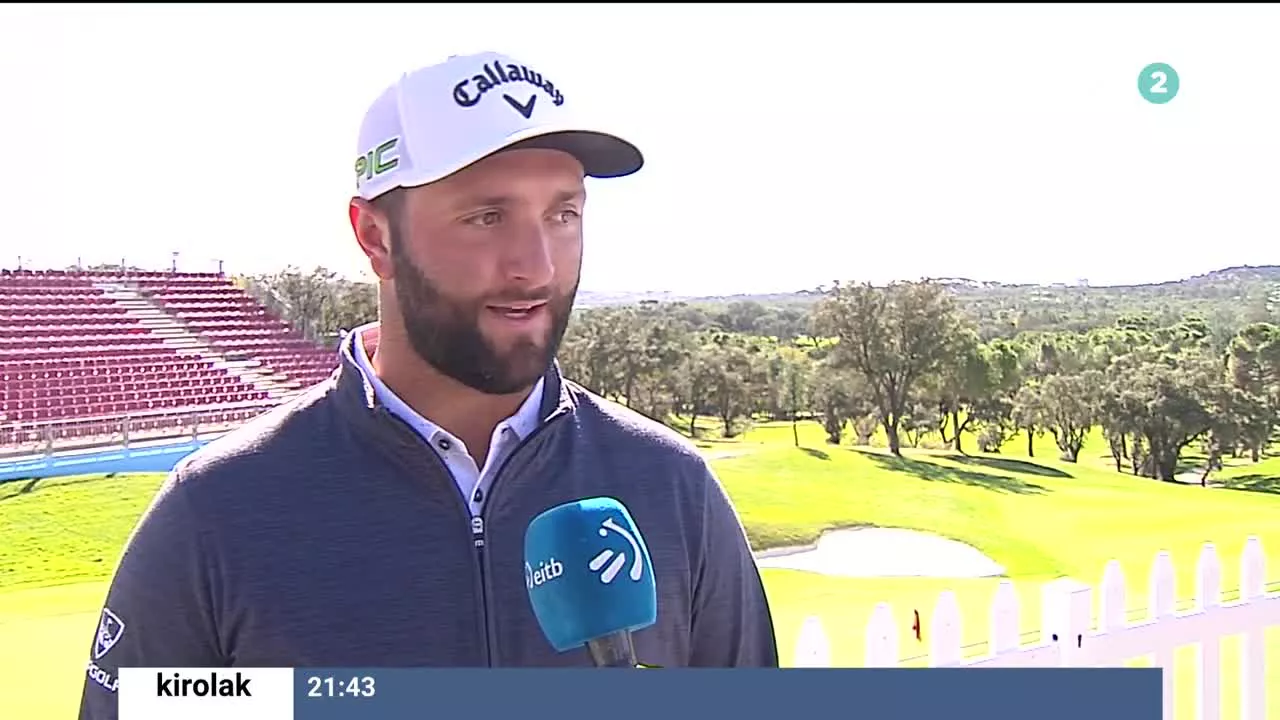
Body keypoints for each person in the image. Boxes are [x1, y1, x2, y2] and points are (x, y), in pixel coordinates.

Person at [78, 49, 778, 718]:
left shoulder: (672, 486)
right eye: (486, 217)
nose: (536, 267)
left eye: (562, 214)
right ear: (376, 237)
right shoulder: (216, 510)